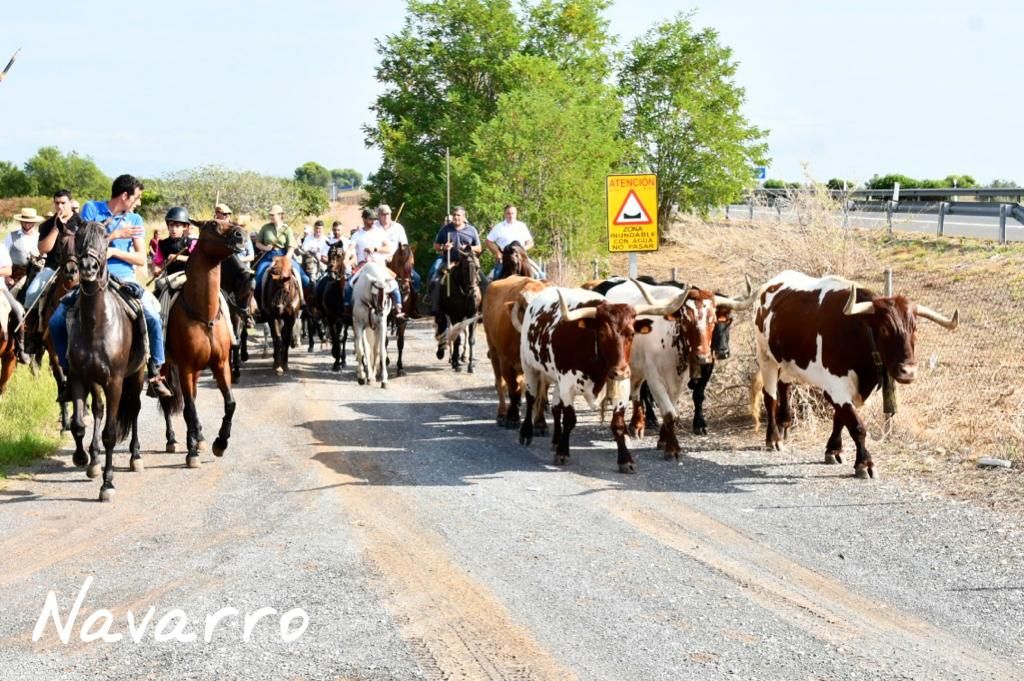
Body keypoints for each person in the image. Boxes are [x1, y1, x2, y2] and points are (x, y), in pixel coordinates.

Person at [48, 174, 173, 400]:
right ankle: (69, 373)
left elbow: (139, 259)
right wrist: (114, 236)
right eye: (137, 197)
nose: (138, 202)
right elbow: (84, 242)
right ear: (124, 195)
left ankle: (155, 373)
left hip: (125, 279)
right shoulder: (91, 209)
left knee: (153, 316)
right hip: (91, 279)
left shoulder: (135, 220)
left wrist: (115, 252)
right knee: (56, 320)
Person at [428, 206, 481, 355]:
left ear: (464, 216)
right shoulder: (446, 229)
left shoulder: (471, 230)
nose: (456, 218)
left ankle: (483, 308)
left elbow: (479, 247)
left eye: (458, 215)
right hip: (450, 262)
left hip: (467, 264)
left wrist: (469, 247)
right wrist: (445, 246)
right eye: (454, 215)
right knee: (435, 279)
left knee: (482, 281)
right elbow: (436, 246)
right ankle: (435, 305)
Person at [24, 191, 84, 314]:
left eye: (63, 203)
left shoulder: (82, 224)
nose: (60, 206)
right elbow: (43, 250)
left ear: (70, 203)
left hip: (76, 268)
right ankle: (30, 329)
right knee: (31, 293)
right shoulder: (47, 225)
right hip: (52, 267)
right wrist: (56, 227)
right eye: (57, 203)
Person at [344, 208, 404, 319]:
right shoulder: (357, 235)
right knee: (348, 285)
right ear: (363, 219)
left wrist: (375, 249)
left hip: (379, 264)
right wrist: (346, 259)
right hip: (363, 265)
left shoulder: (379, 232)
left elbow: (388, 248)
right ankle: (347, 309)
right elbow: (350, 248)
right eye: (369, 219)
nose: (372, 222)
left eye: (373, 219)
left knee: (394, 284)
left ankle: (398, 309)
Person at [253, 204, 311, 299]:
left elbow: (291, 247)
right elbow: (257, 243)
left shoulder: (287, 229)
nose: (271, 217)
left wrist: (286, 259)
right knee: (257, 279)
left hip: (285, 255)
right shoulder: (265, 228)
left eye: (273, 215)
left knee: (305, 279)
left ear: (280, 215)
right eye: (270, 215)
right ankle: (259, 304)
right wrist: (265, 248)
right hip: (269, 256)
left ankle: (303, 299)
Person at [484, 204, 542, 279]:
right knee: (496, 277)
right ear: (504, 214)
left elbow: (530, 242)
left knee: (539, 275)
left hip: (521, 257)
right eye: (508, 213)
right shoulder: (499, 227)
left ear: (516, 214)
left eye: (513, 213)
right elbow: (488, 241)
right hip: (505, 258)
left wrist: (523, 249)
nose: (511, 216)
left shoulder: (522, 226)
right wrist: (497, 252)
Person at [375, 204, 421, 292]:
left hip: (398, 261)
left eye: (388, 214)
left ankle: (415, 302)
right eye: (383, 214)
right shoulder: (374, 227)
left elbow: (405, 246)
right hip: (379, 261)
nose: (386, 216)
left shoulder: (398, 228)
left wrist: (395, 256)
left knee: (416, 278)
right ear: (379, 216)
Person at [0, 241, 29, 364]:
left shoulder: (0, 248)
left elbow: (8, 270)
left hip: (0, 288)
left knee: (17, 311)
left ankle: (20, 349)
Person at [4, 207, 43, 285]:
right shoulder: (11, 236)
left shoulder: (40, 237)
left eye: (30, 222)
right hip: (15, 276)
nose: (27, 224)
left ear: (34, 222)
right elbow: (3, 257)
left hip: (35, 275)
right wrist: (6, 277)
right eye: (24, 221)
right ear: (21, 222)